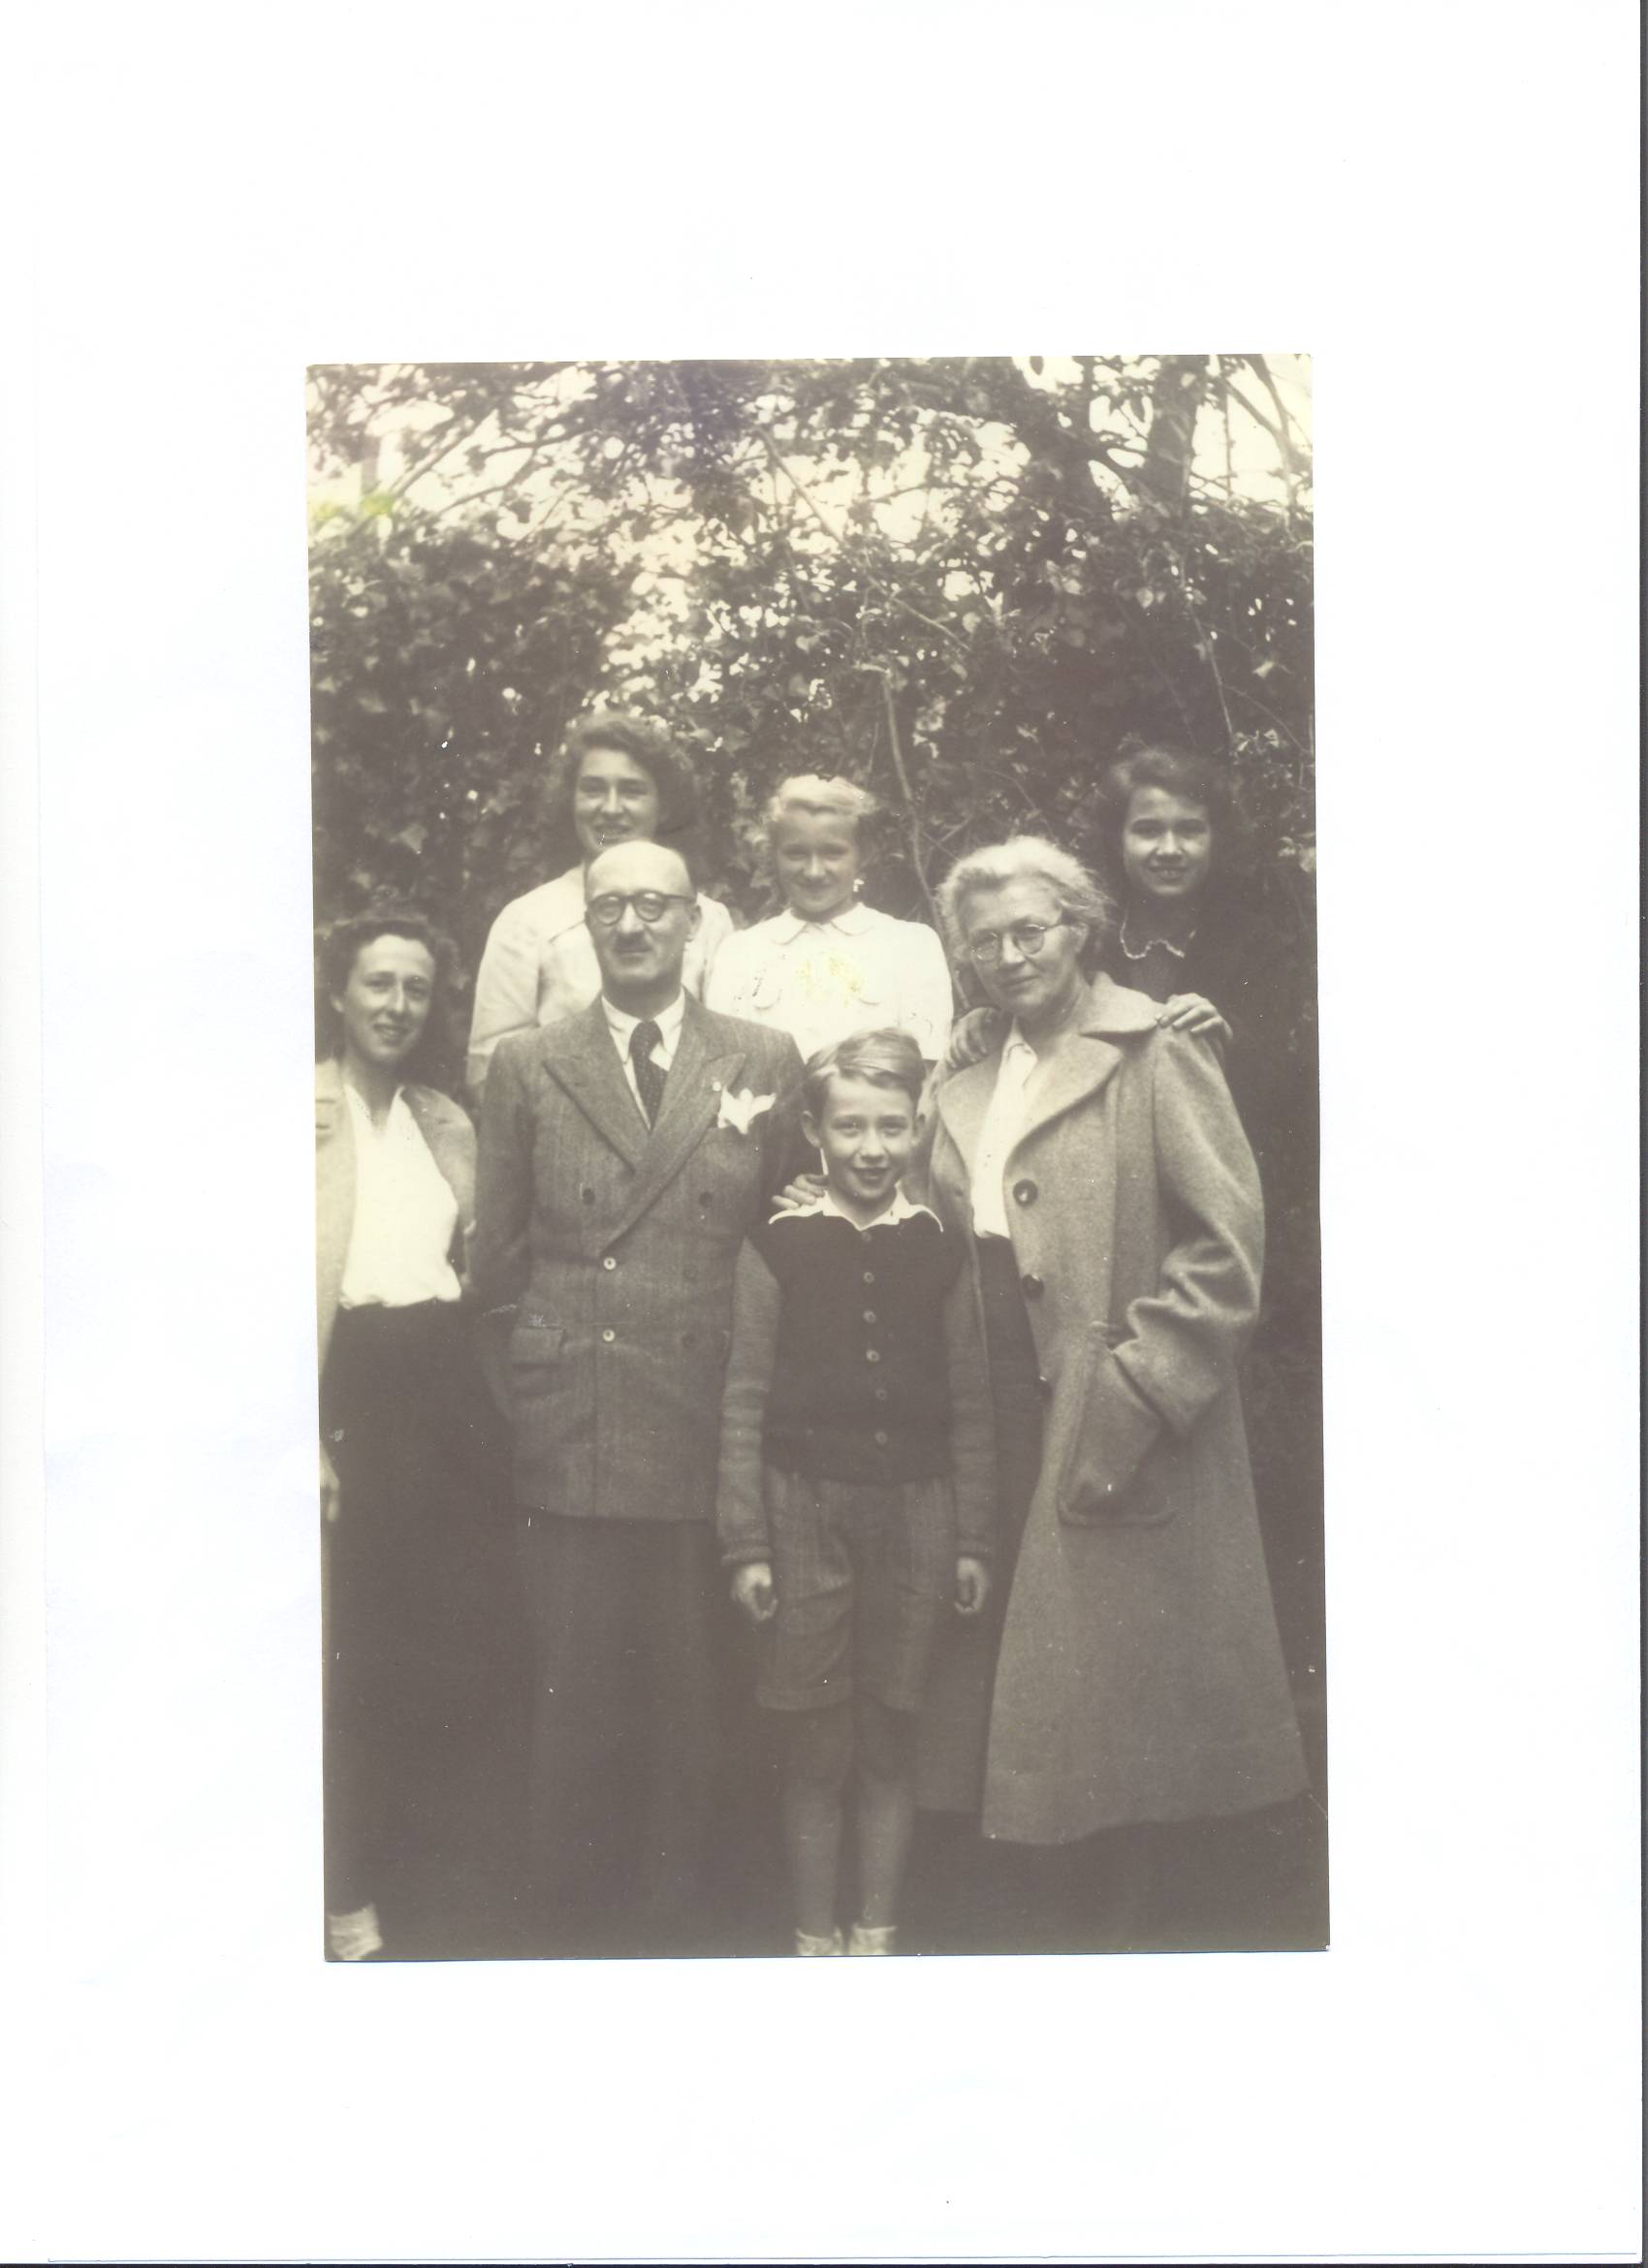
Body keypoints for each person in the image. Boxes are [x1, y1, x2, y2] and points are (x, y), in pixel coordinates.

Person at [912, 836, 1309, 1948]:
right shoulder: (966, 1070)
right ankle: (1025, 1924)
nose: (1006, 954)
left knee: (1114, 1684)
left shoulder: (1154, 1048)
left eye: (1028, 930)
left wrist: (1138, 1388)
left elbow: (1225, 1252)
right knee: (1018, 1669)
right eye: (982, 940)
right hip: (989, 1389)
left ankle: (1125, 1935)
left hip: (1110, 1394)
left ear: (1079, 929)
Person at [472, 839, 805, 1954]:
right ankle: (566, 1931)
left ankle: (680, 1924)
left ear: (692, 920)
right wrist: (530, 1390)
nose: (631, 926)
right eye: (609, 906)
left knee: (691, 1693)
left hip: (706, 1412)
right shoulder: (528, 1062)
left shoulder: (762, 1056)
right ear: (584, 924)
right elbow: (498, 1264)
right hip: (574, 1413)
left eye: (653, 906)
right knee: (572, 1691)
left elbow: (781, 1235)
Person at [716, 1029, 994, 1957]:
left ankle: (876, 1933)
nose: (872, 1149)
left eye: (892, 1127)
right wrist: (747, 1546)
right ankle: (812, 1938)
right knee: (815, 1748)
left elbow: (971, 1404)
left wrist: (973, 1540)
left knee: (887, 1741)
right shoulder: (777, 1247)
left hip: (918, 1518)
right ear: (813, 1131)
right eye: (850, 1128)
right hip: (802, 1517)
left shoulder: (940, 1248)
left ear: (918, 1129)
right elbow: (744, 1400)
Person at [316, 909, 516, 1962]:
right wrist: (301, 1436)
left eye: (415, 988)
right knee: (357, 1655)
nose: (396, 1005)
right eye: (377, 983)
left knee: (458, 1648)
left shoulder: (445, 1119)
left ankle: (436, 1893)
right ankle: (346, 1896)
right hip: (353, 1393)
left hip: (448, 1397)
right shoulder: (294, 1112)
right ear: (340, 994)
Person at [465, 709, 736, 1102]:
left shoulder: (709, 920)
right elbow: (490, 1077)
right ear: (570, 801)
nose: (610, 808)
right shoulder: (527, 922)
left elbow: (731, 1054)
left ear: (663, 806)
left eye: (632, 790)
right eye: (593, 789)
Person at [705, 773, 954, 1064]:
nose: (813, 872)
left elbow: (926, 1066)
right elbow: (724, 1067)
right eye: (796, 853)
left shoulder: (911, 946)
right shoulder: (740, 952)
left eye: (833, 853)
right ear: (773, 855)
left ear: (863, 854)